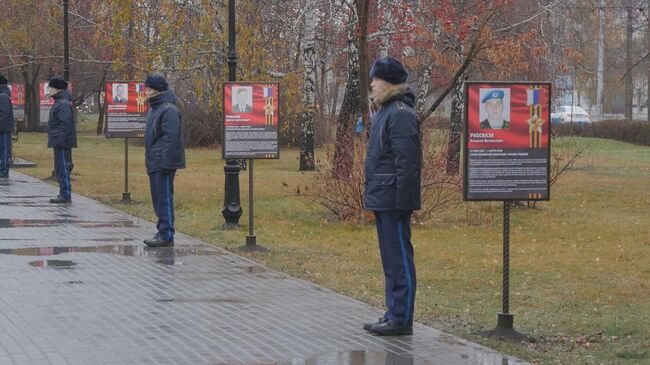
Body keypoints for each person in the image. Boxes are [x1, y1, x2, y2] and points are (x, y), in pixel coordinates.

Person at [363, 57, 421, 336]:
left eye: (376, 79)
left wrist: (403, 202)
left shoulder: (399, 113)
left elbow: (407, 163)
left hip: (394, 200)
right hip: (383, 197)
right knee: (390, 260)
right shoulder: (386, 111)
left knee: (398, 259)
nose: (371, 84)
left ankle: (402, 318)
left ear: (389, 82)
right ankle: (393, 312)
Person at [142, 74, 186, 248]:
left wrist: (166, 163)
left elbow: (171, 138)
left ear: (156, 90)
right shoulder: (155, 109)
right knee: (157, 198)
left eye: (148, 89)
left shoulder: (168, 110)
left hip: (162, 162)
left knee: (164, 198)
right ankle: (162, 230)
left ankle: (166, 234)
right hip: (155, 160)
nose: (145, 92)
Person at [46, 76, 77, 203]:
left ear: (56, 89)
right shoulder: (61, 102)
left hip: (61, 142)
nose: (49, 90)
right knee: (60, 168)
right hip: (59, 141)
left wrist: (59, 139)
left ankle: (65, 194)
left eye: (50, 88)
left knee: (63, 168)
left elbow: (66, 124)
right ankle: (63, 193)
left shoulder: (63, 104)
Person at [0, 74, 15, 178]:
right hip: (3, 127)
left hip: (3, 128)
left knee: (4, 149)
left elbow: (4, 113)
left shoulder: (3, 96)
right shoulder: (3, 94)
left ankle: (4, 170)